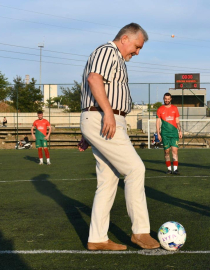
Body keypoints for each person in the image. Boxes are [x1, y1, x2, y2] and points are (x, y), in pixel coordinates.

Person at [80, 23, 159, 251]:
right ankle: (140, 232)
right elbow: (94, 80)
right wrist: (105, 114)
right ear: (125, 38)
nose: (137, 52)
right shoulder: (107, 51)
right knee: (136, 169)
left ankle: (97, 238)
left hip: (101, 120)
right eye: (136, 46)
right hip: (106, 119)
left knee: (108, 181)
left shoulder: (114, 57)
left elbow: (91, 91)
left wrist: (90, 127)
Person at [156, 93, 183, 174]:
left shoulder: (175, 108)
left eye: (168, 99)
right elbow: (157, 122)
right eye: (165, 98)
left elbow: (177, 120)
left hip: (174, 133)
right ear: (163, 99)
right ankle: (169, 169)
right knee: (166, 151)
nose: (167, 100)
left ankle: (175, 169)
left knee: (175, 151)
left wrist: (180, 131)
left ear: (171, 99)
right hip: (164, 134)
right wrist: (158, 133)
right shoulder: (160, 109)